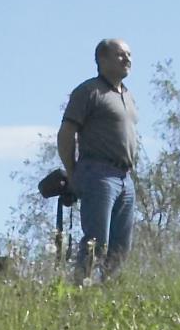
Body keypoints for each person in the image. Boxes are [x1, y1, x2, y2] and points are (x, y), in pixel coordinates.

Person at [56, 35, 139, 274]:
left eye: (129, 55)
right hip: (98, 174)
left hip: (125, 177)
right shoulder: (88, 91)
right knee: (96, 243)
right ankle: (81, 289)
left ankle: (108, 292)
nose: (127, 59)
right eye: (120, 55)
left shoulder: (128, 96)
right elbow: (66, 134)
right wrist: (73, 173)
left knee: (121, 248)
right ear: (102, 59)